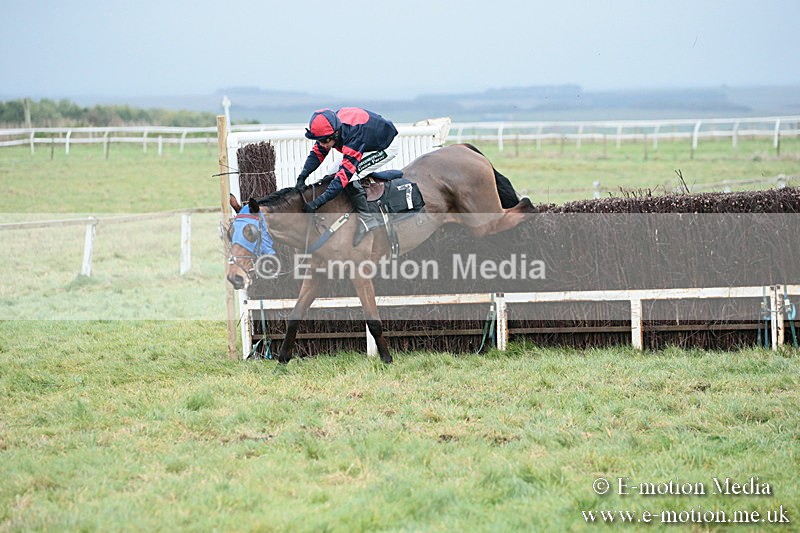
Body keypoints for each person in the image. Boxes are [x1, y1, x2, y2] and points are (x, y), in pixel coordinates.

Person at [295, 107, 399, 246]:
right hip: (364, 140)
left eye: (324, 141)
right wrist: (302, 176)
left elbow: (344, 176)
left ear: (335, 134)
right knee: (330, 175)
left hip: (384, 146)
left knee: (351, 176)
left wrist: (319, 201)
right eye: (318, 141)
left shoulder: (353, 135)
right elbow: (317, 154)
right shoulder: (329, 128)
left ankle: (368, 220)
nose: (322, 145)